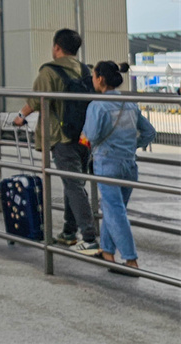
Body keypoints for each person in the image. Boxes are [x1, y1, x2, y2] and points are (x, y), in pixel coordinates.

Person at [13, 28, 98, 254]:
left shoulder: (48, 72)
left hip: (62, 137)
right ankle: (69, 232)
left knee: (73, 185)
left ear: (57, 47)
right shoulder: (86, 70)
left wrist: (20, 117)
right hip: (84, 137)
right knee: (75, 182)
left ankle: (90, 237)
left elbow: (35, 101)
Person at [83, 61, 156, 271]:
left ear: (101, 79)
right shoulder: (129, 103)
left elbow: (92, 135)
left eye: (94, 75)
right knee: (114, 209)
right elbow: (150, 132)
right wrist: (134, 145)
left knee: (115, 211)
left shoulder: (97, 105)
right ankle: (107, 252)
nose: (93, 79)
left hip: (107, 163)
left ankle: (130, 259)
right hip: (129, 165)